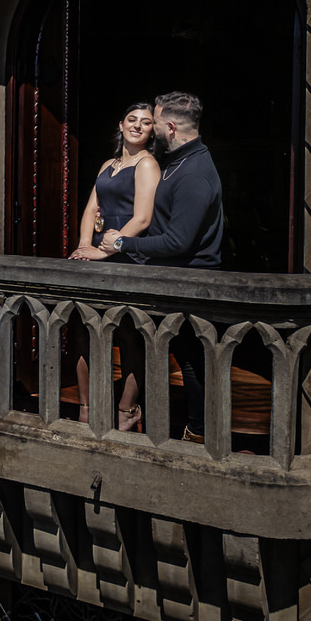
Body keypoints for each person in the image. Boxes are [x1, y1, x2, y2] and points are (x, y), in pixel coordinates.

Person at [100, 91, 225, 442]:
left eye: (153, 122)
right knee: (174, 357)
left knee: (193, 364)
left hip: (191, 283)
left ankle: (199, 434)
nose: (148, 127)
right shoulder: (176, 161)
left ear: (169, 127)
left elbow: (178, 242)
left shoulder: (195, 174)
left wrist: (123, 243)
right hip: (170, 279)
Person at [68, 102, 160, 430]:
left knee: (127, 333)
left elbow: (144, 218)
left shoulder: (148, 164)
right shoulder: (109, 164)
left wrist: (106, 251)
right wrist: (83, 247)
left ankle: (127, 407)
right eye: (132, 120)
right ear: (120, 125)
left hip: (129, 254)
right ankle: (87, 406)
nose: (137, 126)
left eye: (146, 123)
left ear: (152, 131)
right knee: (81, 330)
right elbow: (92, 207)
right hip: (99, 253)